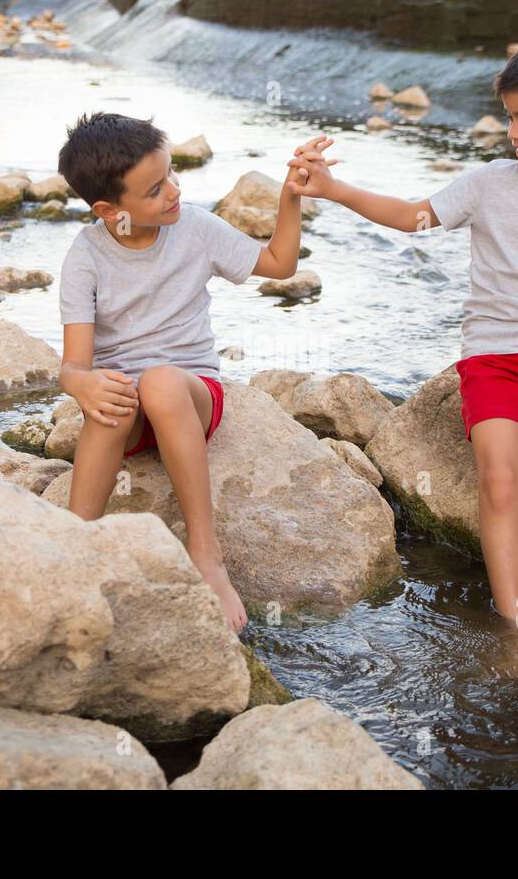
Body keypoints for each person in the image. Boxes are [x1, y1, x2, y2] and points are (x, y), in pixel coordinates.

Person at [287, 30, 518, 653]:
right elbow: (415, 217)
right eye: (509, 118)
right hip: (493, 358)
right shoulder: (490, 184)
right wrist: (335, 189)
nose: (512, 132)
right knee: (501, 481)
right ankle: (517, 628)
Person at [57, 110, 328, 632]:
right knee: (111, 402)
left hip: (190, 395)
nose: (175, 191)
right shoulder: (85, 257)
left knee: (159, 380)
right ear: (110, 210)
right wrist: (82, 382)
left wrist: (290, 197)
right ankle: (74, 548)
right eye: (156, 189)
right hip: (132, 415)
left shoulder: (196, 227)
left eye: (173, 173)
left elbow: (278, 264)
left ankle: (207, 556)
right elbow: (73, 366)